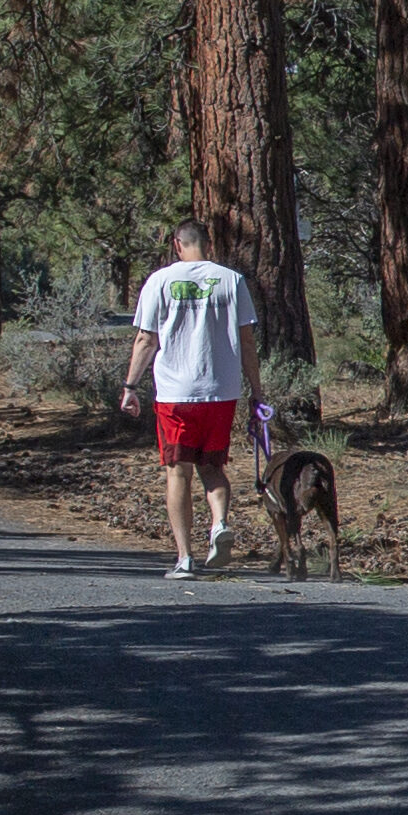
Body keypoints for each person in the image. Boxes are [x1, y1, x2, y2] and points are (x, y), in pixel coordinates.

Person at [124, 223, 260, 578]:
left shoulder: (160, 281)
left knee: (178, 472)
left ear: (177, 245)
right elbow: (247, 341)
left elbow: (145, 340)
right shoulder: (231, 281)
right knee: (213, 466)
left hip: (175, 394)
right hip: (221, 391)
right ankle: (218, 523)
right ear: (208, 243)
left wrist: (129, 386)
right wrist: (257, 392)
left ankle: (185, 558)